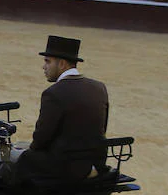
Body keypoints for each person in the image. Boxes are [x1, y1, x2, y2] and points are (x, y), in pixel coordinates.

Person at [9, 36, 109, 185]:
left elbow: (41, 139)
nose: (44, 67)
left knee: (16, 158)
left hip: (66, 166)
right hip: (94, 163)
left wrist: (28, 150)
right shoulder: (99, 87)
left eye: (47, 61)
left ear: (61, 64)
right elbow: (102, 128)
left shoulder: (54, 92)